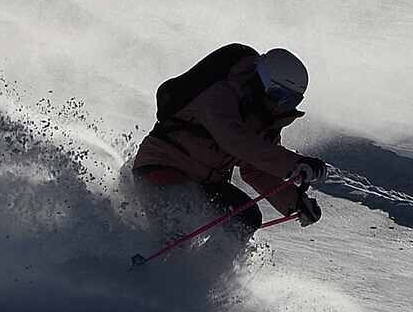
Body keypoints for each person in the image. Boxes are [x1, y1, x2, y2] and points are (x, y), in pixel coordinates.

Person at [131, 42, 324, 232]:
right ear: (262, 81)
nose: (281, 105)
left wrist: (295, 201)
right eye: (278, 95)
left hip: (203, 184)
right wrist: (293, 163)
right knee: (181, 211)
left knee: (247, 219)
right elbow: (235, 140)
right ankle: (152, 258)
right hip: (163, 166)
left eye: (291, 100)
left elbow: (256, 169)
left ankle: (207, 263)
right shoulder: (220, 94)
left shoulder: (264, 118)